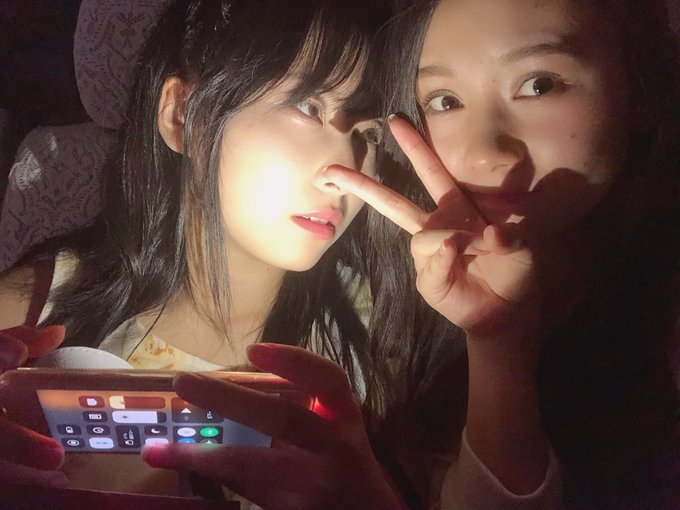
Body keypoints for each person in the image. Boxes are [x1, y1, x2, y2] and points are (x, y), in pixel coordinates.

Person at [141, 0, 679, 509]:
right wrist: (498, 342)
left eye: (539, 84)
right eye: (444, 100)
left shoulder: (384, 323)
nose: (484, 152)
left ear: (638, 88)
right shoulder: (421, 306)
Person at [0, 0, 402, 506]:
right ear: (183, 114)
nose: (346, 172)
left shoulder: (378, 334)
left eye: (369, 134)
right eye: (309, 107)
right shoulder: (34, 312)